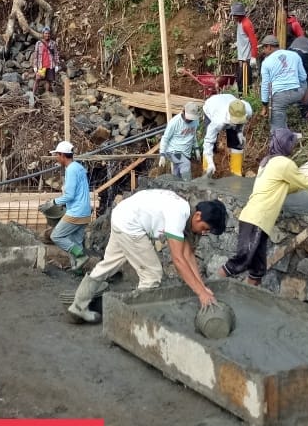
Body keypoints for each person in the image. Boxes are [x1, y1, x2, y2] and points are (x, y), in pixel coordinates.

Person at [66, 190, 228, 324]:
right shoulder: (178, 214)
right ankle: (131, 322)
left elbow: (188, 255)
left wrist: (202, 287)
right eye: (205, 228)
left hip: (122, 215)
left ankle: (78, 306)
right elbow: (179, 260)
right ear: (198, 216)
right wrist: (201, 293)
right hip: (130, 225)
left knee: (108, 264)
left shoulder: (188, 212)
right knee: (152, 275)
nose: (204, 233)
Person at [218, 129, 308, 286]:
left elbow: (289, 187)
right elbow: (307, 183)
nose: (294, 146)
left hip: (257, 219)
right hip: (257, 219)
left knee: (258, 268)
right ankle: (210, 285)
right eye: (292, 143)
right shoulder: (284, 164)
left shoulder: (268, 162)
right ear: (286, 144)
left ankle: (249, 297)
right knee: (242, 260)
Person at [45, 141, 92, 272]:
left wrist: (53, 202)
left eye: (57, 155)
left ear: (62, 156)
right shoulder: (78, 167)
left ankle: (81, 256)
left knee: (56, 236)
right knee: (75, 241)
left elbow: (70, 195)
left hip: (76, 212)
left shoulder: (71, 170)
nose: (56, 158)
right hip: (85, 211)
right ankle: (77, 270)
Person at [259, 34, 307, 132]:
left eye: (264, 48)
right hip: (297, 93)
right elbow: (303, 77)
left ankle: (279, 139)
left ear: (269, 47)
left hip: (280, 97)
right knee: (304, 83)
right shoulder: (294, 55)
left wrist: (265, 106)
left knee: (277, 128)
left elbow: (265, 86)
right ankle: (304, 109)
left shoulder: (266, 62)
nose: (263, 51)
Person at [201, 92, 253, 177]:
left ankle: (236, 172)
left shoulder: (247, 109)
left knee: (237, 142)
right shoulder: (218, 120)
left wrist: (239, 133)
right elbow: (208, 141)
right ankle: (207, 170)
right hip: (211, 107)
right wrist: (210, 162)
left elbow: (241, 122)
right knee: (211, 144)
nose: (237, 123)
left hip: (229, 99)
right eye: (235, 121)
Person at [159, 101, 202, 181]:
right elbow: (165, 138)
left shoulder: (195, 121)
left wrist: (196, 149)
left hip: (185, 153)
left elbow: (193, 135)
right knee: (185, 163)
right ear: (183, 111)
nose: (189, 120)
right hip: (173, 152)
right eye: (188, 117)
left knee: (177, 174)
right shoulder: (174, 122)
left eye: (191, 118)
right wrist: (162, 154)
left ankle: (175, 188)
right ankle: (188, 186)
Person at [230, 2, 259, 93]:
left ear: (239, 14)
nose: (233, 17)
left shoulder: (246, 24)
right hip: (241, 58)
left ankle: (246, 101)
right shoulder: (239, 22)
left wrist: (253, 56)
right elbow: (243, 37)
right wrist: (237, 43)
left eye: (235, 15)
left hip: (246, 59)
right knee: (239, 82)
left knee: (245, 84)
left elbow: (253, 40)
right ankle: (241, 100)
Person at [33, 26, 60, 95]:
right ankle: (33, 94)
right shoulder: (38, 43)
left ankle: (46, 95)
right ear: (43, 34)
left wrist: (56, 65)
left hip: (50, 65)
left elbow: (56, 54)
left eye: (48, 33)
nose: (47, 35)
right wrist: (35, 66)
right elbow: (35, 55)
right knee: (37, 79)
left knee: (48, 80)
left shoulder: (53, 43)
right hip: (41, 65)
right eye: (45, 33)